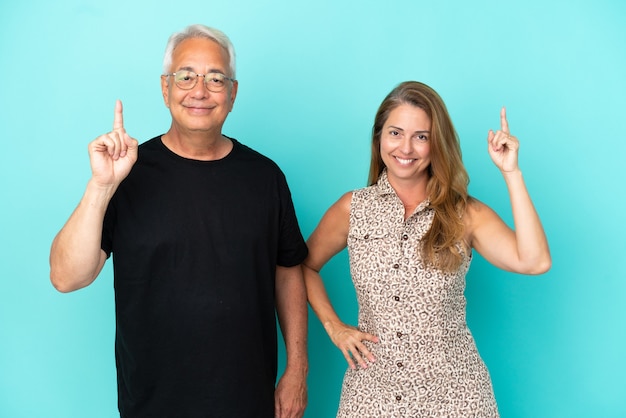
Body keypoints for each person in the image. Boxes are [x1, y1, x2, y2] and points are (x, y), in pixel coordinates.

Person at [49, 24, 309, 418]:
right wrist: (101, 186)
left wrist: (297, 369)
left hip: (247, 400)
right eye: (186, 76)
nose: (199, 91)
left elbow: (288, 269)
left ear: (233, 93)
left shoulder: (266, 177)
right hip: (152, 403)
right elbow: (66, 277)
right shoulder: (127, 174)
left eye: (216, 78)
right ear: (165, 88)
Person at [302, 81, 551, 417]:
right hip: (373, 396)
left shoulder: (465, 214)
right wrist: (333, 326)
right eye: (395, 133)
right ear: (379, 139)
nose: (406, 147)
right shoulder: (353, 209)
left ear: (437, 144)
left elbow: (534, 261)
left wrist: (512, 172)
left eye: (421, 136)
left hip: (456, 397)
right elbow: (302, 266)